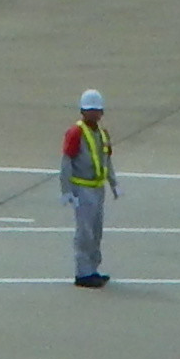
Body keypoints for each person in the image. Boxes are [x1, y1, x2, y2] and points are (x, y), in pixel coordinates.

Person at [64, 90, 116, 285]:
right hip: (82, 189)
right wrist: (66, 189)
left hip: (97, 188)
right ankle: (83, 272)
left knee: (96, 231)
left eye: (96, 111)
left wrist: (113, 183)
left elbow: (106, 160)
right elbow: (66, 161)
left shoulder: (102, 134)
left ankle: (93, 268)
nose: (94, 114)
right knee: (84, 232)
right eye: (90, 110)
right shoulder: (76, 132)